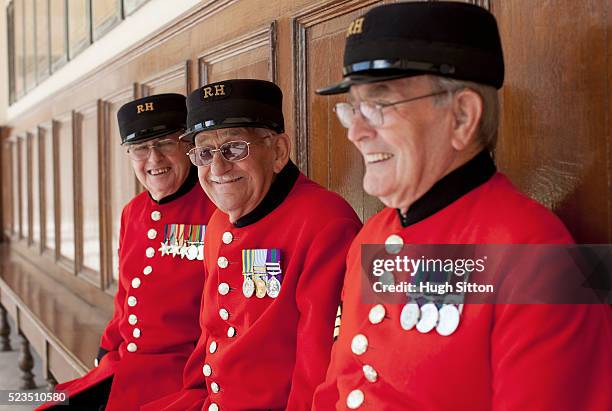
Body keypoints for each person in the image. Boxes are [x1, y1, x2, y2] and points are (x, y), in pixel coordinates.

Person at [312, 2, 612, 410]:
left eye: (379, 106)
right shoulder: (375, 234)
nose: (356, 133)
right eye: (353, 109)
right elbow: (338, 387)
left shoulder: (545, 260)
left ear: (462, 116)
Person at [142, 79, 362, 411]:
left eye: (234, 148)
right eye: (204, 153)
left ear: (277, 151)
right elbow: (211, 335)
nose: (217, 168)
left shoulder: (324, 222)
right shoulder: (218, 222)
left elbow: (318, 366)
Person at [38, 93, 217, 410]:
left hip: (180, 374)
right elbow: (126, 293)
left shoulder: (216, 210)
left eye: (164, 143)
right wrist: (107, 347)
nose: (153, 159)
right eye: (139, 149)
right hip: (125, 361)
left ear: (187, 146)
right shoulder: (133, 212)